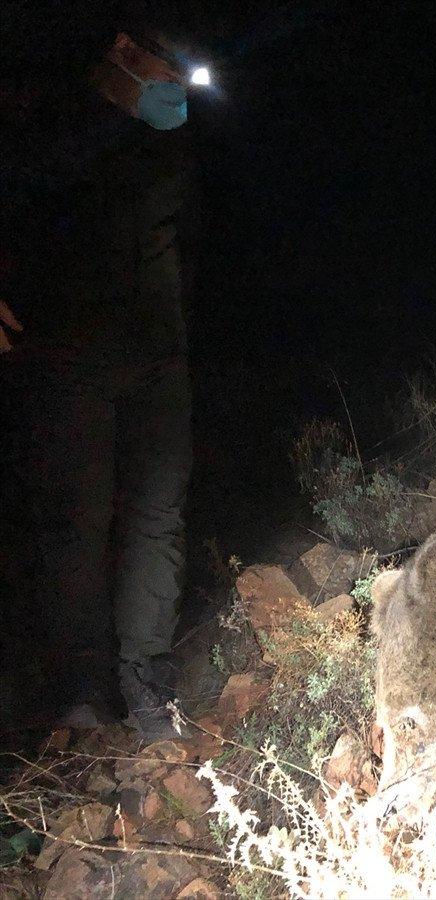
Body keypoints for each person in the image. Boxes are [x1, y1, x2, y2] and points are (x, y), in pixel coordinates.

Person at [0, 28, 196, 739]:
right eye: (166, 69)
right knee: (75, 529)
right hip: (65, 355)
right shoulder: (44, 117)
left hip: (157, 350)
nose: (176, 86)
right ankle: (81, 697)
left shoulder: (169, 138)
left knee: (157, 514)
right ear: (123, 53)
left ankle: (147, 689)